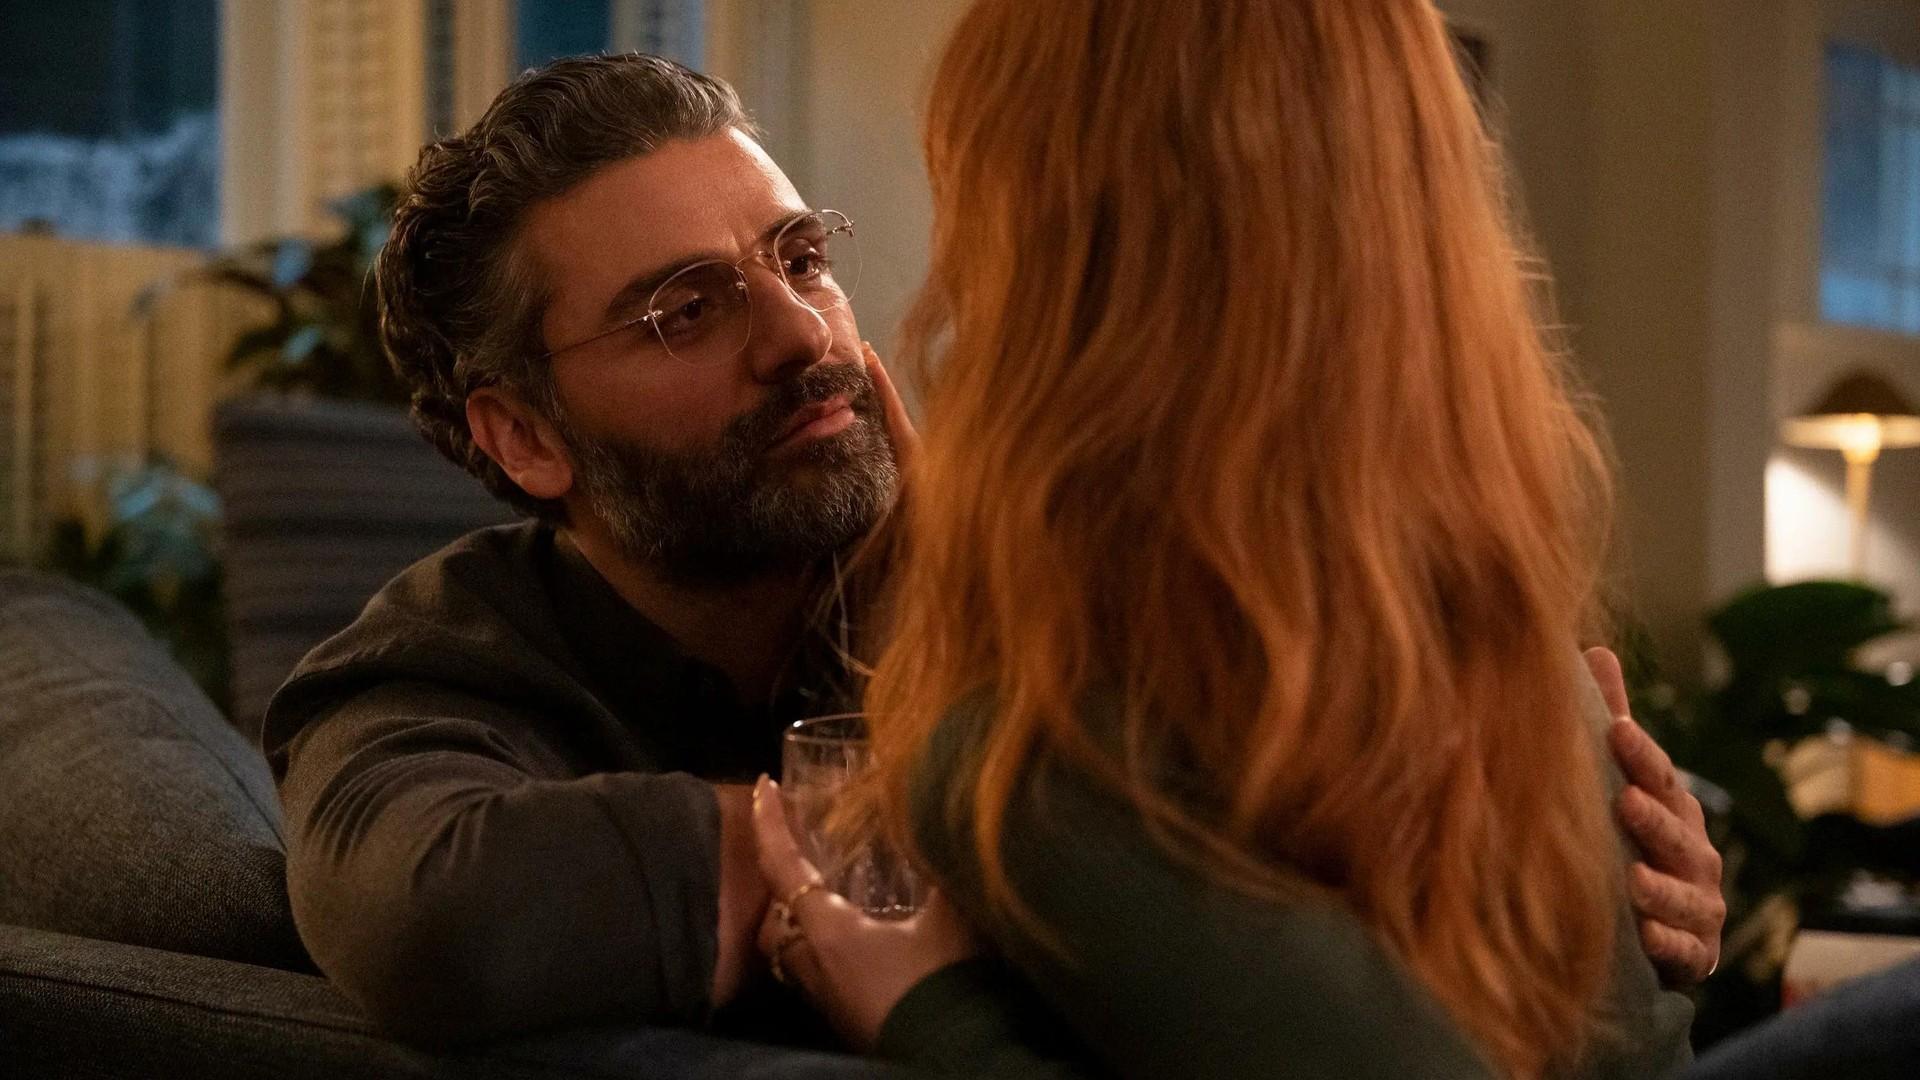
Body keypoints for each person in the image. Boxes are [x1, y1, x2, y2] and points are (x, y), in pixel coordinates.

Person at [265, 52, 1720, 1048]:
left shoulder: (1007, 567)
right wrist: (927, 827)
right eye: (686, 313)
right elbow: (432, 917)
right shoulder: (434, 668)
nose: (803, 337)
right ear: (524, 437)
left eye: (802, 259)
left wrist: (1574, 859)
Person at [749, 2, 1708, 1077]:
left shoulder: (1049, 745)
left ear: (1050, 260)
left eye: (804, 258)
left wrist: (933, 1015)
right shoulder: (1494, 635)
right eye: (687, 309)